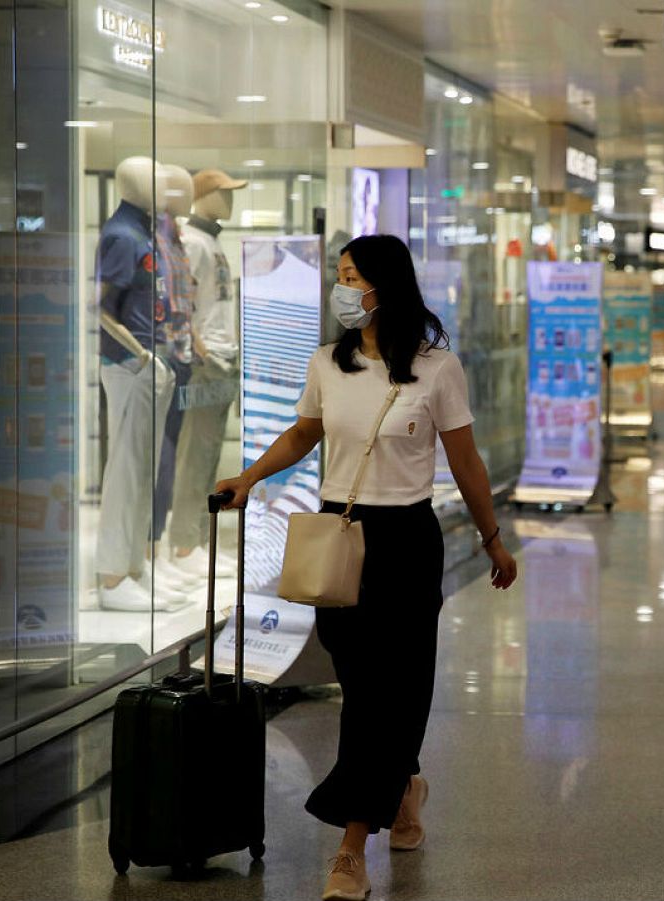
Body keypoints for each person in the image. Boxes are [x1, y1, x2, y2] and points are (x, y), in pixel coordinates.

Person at [215, 235, 518, 901]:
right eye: (340, 275)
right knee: (363, 682)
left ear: (385, 285)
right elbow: (304, 432)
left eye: (353, 276)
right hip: (339, 535)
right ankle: (404, 784)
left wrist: (494, 538)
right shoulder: (329, 360)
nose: (343, 287)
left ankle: (351, 847)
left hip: (407, 539)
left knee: (388, 691)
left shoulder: (437, 368)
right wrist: (250, 477)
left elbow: (464, 461)